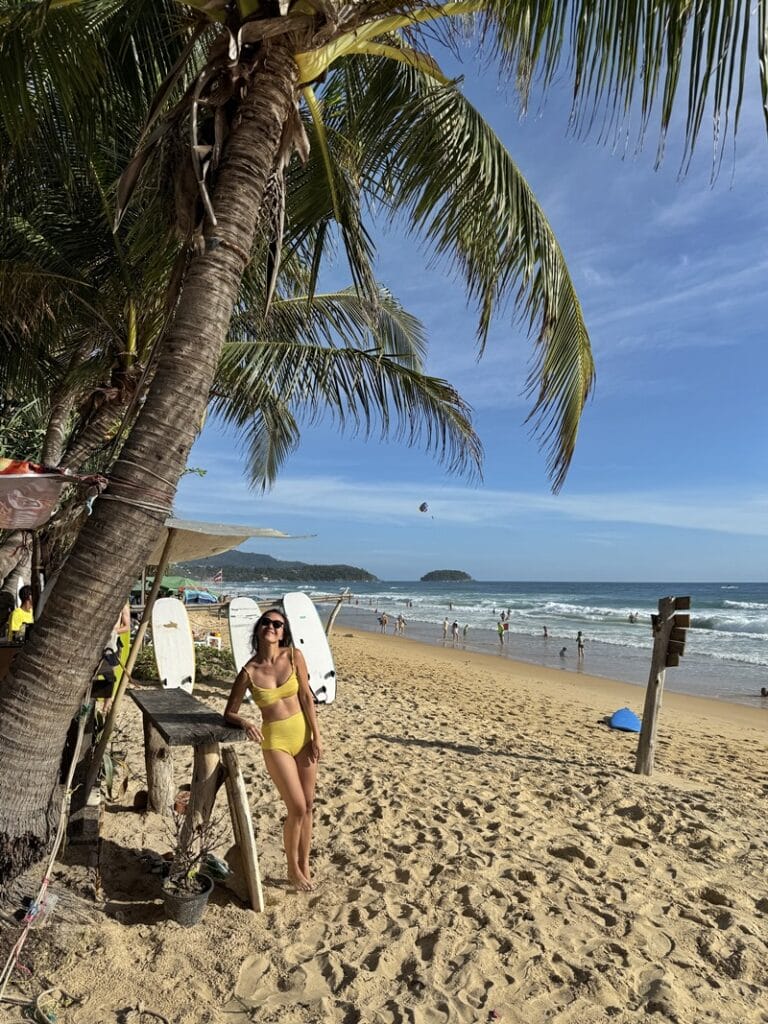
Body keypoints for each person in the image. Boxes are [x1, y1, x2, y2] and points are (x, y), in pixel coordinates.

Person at [224, 609, 322, 891]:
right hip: (275, 741)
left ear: (283, 632)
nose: (271, 627)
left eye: (277, 624)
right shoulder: (249, 671)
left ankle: (304, 864)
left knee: (309, 806)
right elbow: (229, 711)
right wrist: (245, 722)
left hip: (303, 736)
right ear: (259, 629)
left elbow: (306, 695)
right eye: (266, 622)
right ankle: (291, 869)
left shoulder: (294, 656)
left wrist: (317, 735)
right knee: (297, 806)